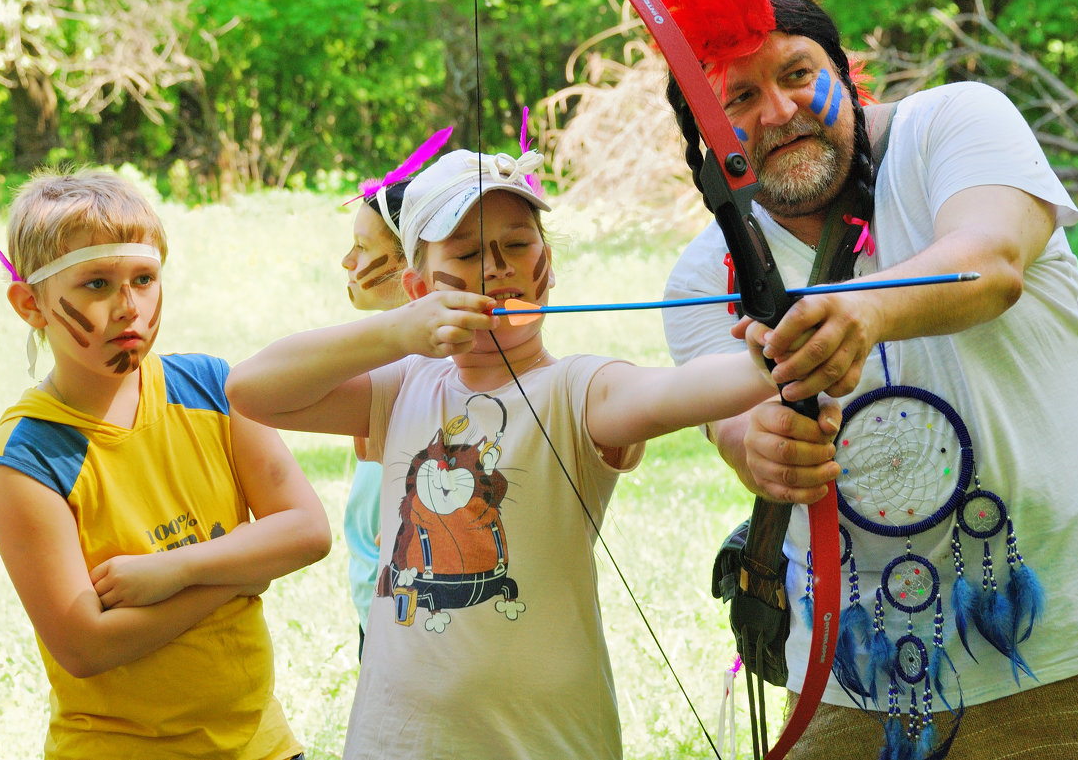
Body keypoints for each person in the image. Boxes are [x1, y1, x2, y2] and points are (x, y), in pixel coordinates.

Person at [225, 146, 840, 759]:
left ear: (548, 266)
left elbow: (670, 392)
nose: (497, 268)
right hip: (397, 741)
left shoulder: (577, 391)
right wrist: (396, 331)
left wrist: (772, 360)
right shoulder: (403, 386)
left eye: (518, 244)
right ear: (418, 288)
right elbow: (251, 390)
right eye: (466, 254)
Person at [650, 0, 1078, 757]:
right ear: (705, 140)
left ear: (844, 74)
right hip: (847, 685)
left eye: (797, 73)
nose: (780, 111)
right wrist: (762, 448)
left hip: (1070, 652)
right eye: (740, 100)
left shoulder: (954, 124)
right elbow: (736, 433)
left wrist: (864, 309)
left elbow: (991, 259)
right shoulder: (701, 276)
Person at [0, 169, 331, 759]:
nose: (127, 307)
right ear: (30, 304)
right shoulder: (26, 462)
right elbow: (86, 645)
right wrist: (240, 569)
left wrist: (179, 570)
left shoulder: (217, 387)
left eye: (144, 278)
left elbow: (309, 531)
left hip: (263, 745)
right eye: (96, 284)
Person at [340, 177, 411, 660]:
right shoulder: (386, 350)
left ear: (410, 264)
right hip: (380, 604)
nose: (348, 262)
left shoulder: (407, 363)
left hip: (404, 612)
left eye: (363, 248)